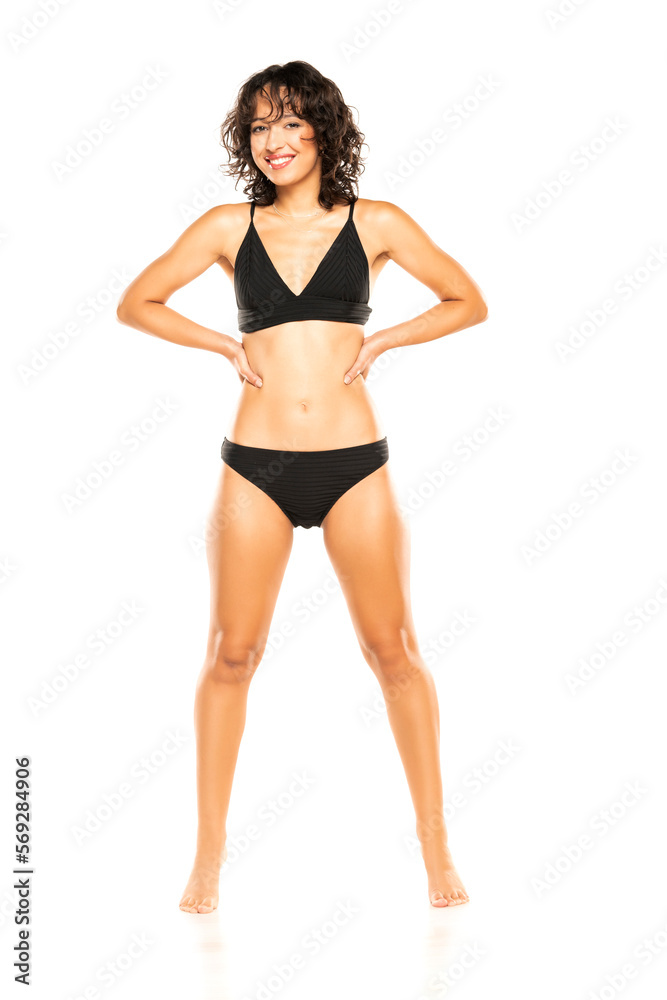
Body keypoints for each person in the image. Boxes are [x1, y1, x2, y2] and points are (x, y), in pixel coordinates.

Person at [116, 60, 488, 913]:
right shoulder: (225, 227)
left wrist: (386, 338)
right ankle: (206, 859)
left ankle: (436, 849)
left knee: (393, 650)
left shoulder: (378, 221)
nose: (273, 141)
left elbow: (467, 300)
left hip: (356, 461)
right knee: (230, 654)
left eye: (289, 122)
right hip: (257, 465)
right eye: (257, 127)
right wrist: (219, 345)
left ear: (322, 128)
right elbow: (138, 302)